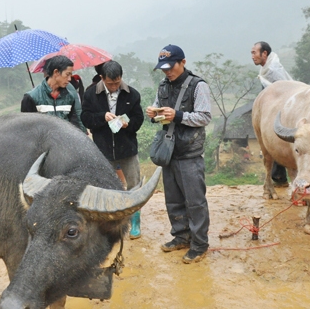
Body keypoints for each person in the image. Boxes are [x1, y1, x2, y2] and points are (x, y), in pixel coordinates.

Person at [146, 44, 212, 264]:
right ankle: (181, 236)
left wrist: (178, 115)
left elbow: (204, 117)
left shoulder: (197, 85)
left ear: (183, 62)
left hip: (189, 152)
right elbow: (159, 110)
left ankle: (199, 244)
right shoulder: (163, 86)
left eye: (171, 66)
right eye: (163, 68)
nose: (167, 72)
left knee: (195, 202)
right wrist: (153, 114)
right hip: (170, 151)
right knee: (173, 199)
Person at [81, 60, 144, 238]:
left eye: (117, 82)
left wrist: (128, 124)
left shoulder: (132, 94)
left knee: (134, 186)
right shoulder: (91, 94)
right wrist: (102, 117)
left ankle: (135, 221)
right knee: (106, 187)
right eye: (110, 83)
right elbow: (85, 118)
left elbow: (138, 120)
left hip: (127, 150)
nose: (114, 86)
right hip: (103, 150)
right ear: (102, 78)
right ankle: (110, 223)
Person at [251, 41, 292, 187]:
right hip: (273, 112)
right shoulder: (267, 69)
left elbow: (284, 93)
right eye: (252, 53)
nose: (252, 56)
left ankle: (280, 178)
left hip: (281, 113)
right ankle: (279, 177)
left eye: (254, 52)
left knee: (276, 145)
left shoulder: (273, 71)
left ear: (264, 54)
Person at [21, 55, 85, 132]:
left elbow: (74, 124)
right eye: (67, 74)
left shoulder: (69, 97)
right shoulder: (31, 97)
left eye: (70, 75)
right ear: (56, 72)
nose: (69, 79)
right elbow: (26, 129)